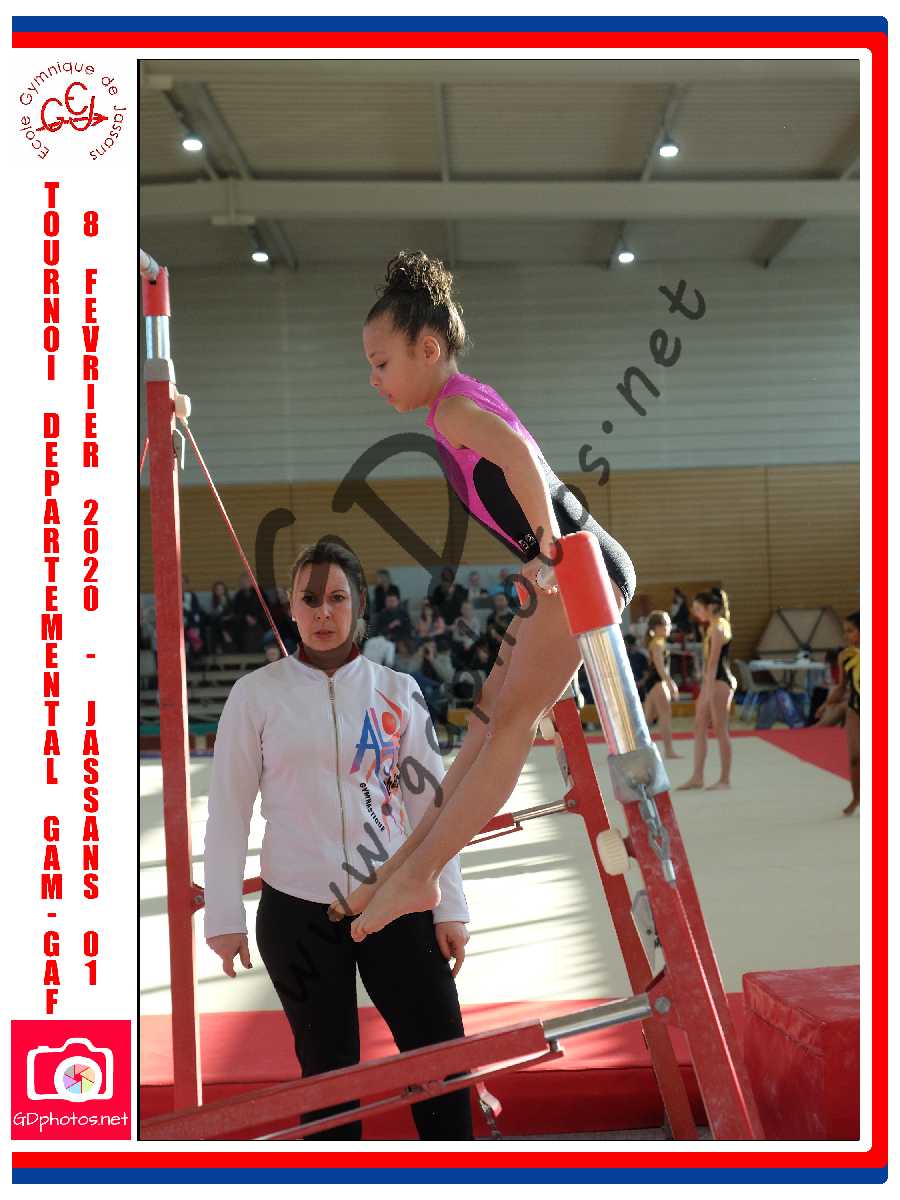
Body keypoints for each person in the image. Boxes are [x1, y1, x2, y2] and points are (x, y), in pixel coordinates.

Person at [341, 248, 635, 939]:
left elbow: (521, 457)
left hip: (580, 569)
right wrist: (543, 554)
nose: (374, 378)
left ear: (428, 348)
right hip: (568, 567)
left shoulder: (453, 411)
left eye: (381, 363)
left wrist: (547, 549)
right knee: (484, 722)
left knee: (508, 726)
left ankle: (420, 874)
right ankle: (405, 863)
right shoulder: (457, 403)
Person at [203, 540, 472, 1140]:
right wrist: (223, 916)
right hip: (299, 912)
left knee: (440, 1057)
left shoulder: (399, 691)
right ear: (291, 608)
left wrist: (449, 906)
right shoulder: (256, 696)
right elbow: (228, 812)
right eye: (310, 600)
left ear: (359, 605)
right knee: (328, 1078)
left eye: (337, 598)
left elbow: (431, 809)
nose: (324, 612)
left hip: (397, 899)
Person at [678, 587, 736, 791]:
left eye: (698, 608)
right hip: (712, 681)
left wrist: (707, 692)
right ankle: (697, 776)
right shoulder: (712, 627)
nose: (695, 613)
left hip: (719, 682)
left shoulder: (719, 627)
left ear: (711, 607)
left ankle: (725, 779)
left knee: (720, 728)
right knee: (699, 725)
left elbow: (713, 663)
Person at [816, 612, 860, 815]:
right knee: (854, 758)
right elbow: (842, 686)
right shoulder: (846, 656)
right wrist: (827, 704)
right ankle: (857, 798)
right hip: (855, 709)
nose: (846, 635)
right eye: (845, 631)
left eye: (850, 631)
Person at [642, 611, 681, 760]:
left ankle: (634, 749)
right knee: (665, 715)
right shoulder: (657, 644)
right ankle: (669, 750)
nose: (669, 627)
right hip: (658, 682)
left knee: (647, 719)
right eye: (666, 624)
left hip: (653, 683)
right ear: (657, 627)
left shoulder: (657, 642)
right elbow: (660, 667)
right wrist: (670, 683)